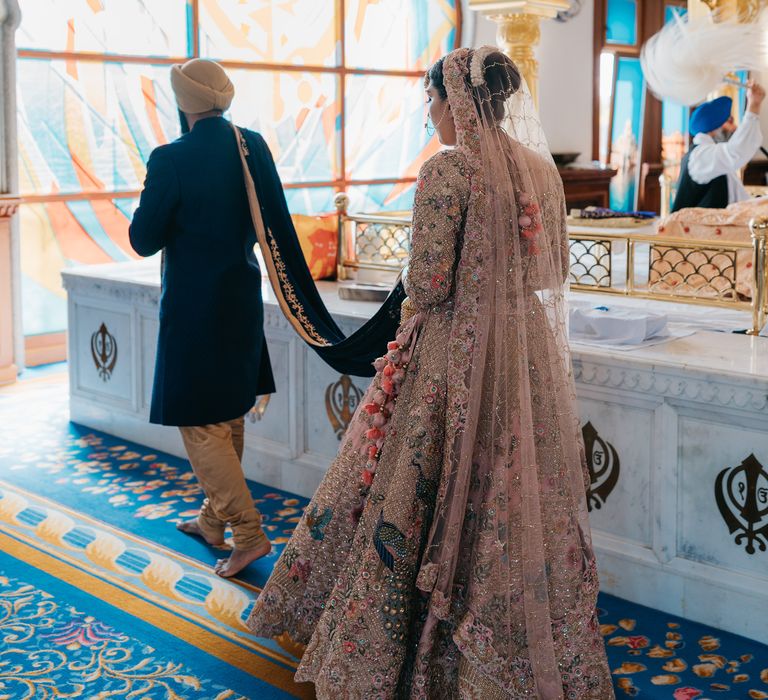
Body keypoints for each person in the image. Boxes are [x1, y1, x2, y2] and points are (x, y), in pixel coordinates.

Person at [248, 47, 614, 699]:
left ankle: (409, 650)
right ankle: (498, 640)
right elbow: (552, 273)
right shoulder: (536, 169)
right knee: (507, 486)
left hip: (452, 353)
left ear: (458, 101)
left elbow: (430, 282)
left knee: (419, 484)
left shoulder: (450, 169)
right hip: (521, 349)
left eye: (433, 101)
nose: (430, 114)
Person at [129, 58, 276, 578]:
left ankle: (249, 534)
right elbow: (273, 227)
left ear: (181, 103)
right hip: (240, 299)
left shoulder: (170, 158)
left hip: (194, 309)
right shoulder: (251, 144)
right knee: (227, 412)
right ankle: (213, 522)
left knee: (200, 421)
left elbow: (143, 239)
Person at [672, 81, 766, 212]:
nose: (733, 128)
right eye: (729, 121)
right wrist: (753, 105)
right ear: (715, 127)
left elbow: (739, 201)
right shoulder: (701, 156)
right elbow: (736, 151)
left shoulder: (710, 155)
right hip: (696, 231)